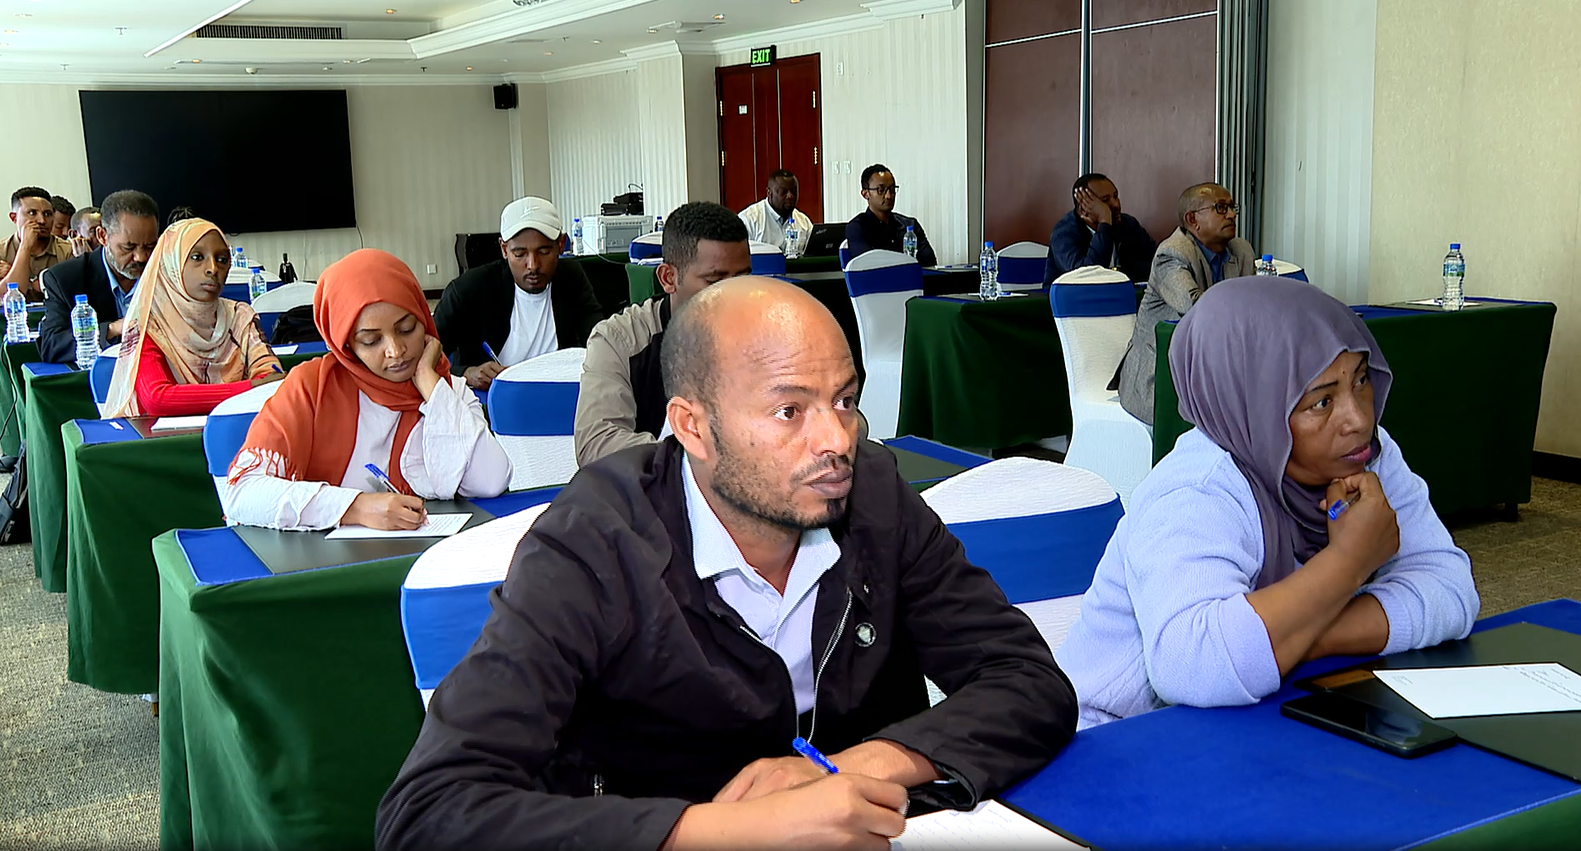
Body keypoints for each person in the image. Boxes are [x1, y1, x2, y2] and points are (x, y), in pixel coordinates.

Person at [376, 276, 1076, 850]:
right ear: (692, 426)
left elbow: (1028, 682)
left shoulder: (875, 496)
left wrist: (849, 769)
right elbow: (429, 813)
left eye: (845, 400)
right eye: (789, 411)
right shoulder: (593, 542)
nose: (837, 440)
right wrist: (735, 829)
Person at [1058, 277, 1478, 730]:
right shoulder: (1197, 488)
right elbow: (1193, 666)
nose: (1358, 418)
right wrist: (1349, 562)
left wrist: (1300, 639)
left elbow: (1452, 591)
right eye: (1322, 401)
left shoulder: (1365, 456)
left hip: (1266, 716)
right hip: (1116, 738)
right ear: (1253, 405)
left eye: (1361, 380)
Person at [220, 249, 512, 531]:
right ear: (345, 343)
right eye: (371, 341)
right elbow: (242, 493)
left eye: (407, 329)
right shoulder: (310, 388)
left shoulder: (446, 389)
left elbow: (491, 481)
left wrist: (428, 383)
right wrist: (355, 508)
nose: (396, 351)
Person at [573, 201, 751, 467]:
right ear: (668, 278)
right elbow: (596, 445)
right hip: (656, 486)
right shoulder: (621, 340)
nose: (734, 294)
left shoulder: (767, 331)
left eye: (743, 278)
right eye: (715, 281)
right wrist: (698, 454)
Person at [102, 217, 283, 418]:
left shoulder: (240, 316)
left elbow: (271, 377)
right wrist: (251, 388)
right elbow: (157, 399)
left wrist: (261, 384)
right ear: (171, 263)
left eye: (222, 260)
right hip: (161, 436)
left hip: (233, 428)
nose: (213, 268)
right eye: (197, 257)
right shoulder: (148, 323)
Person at [1116, 182, 1258, 424]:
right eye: (1221, 208)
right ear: (1193, 220)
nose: (1232, 215)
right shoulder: (1172, 253)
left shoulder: (1240, 250)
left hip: (1216, 366)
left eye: (1232, 207)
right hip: (1163, 373)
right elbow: (1195, 308)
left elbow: (1253, 307)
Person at [433, 196, 603, 391]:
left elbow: (598, 339)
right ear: (504, 249)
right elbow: (425, 356)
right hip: (491, 398)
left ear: (561, 244)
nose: (533, 265)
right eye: (520, 254)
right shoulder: (468, 289)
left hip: (556, 391)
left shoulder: (571, 277)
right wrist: (466, 373)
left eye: (544, 252)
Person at [37, 191, 161, 364]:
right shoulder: (66, 279)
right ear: (103, 236)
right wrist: (111, 329)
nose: (140, 257)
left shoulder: (167, 271)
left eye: (149, 247)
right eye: (128, 247)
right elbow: (51, 345)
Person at [1043, 172, 1157, 285]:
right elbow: (1087, 277)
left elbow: (1156, 263)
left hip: (1121, 293)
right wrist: (1104, 222)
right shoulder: (1063, 234)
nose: (1116, 204)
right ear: (1083, 209)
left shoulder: (1128, 224)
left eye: (1115, 196)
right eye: (1105, 200)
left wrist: (1120, 272)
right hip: (1072, 296)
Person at [844, 164, 937, 266]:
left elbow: (930, 263)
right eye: (881, 190)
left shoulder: (910, 225)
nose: (889, 196)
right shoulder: (857, 228)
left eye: (892, 189)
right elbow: (867, 265)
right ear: (866, 194)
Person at [1, 186, 73, 301]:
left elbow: (71, 295)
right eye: (32, 213)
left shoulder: (68, 251)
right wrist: (25, 246)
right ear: (14, 218)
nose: (42, 221)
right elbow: (8, 298)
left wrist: (11, 273)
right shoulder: (2, 251)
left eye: (47, 214)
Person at [738, 169, 813, 256]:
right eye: (783, 192)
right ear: (769, 193)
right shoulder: (749, 220)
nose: (790, 196)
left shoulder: (803, 222)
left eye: (794, 192)